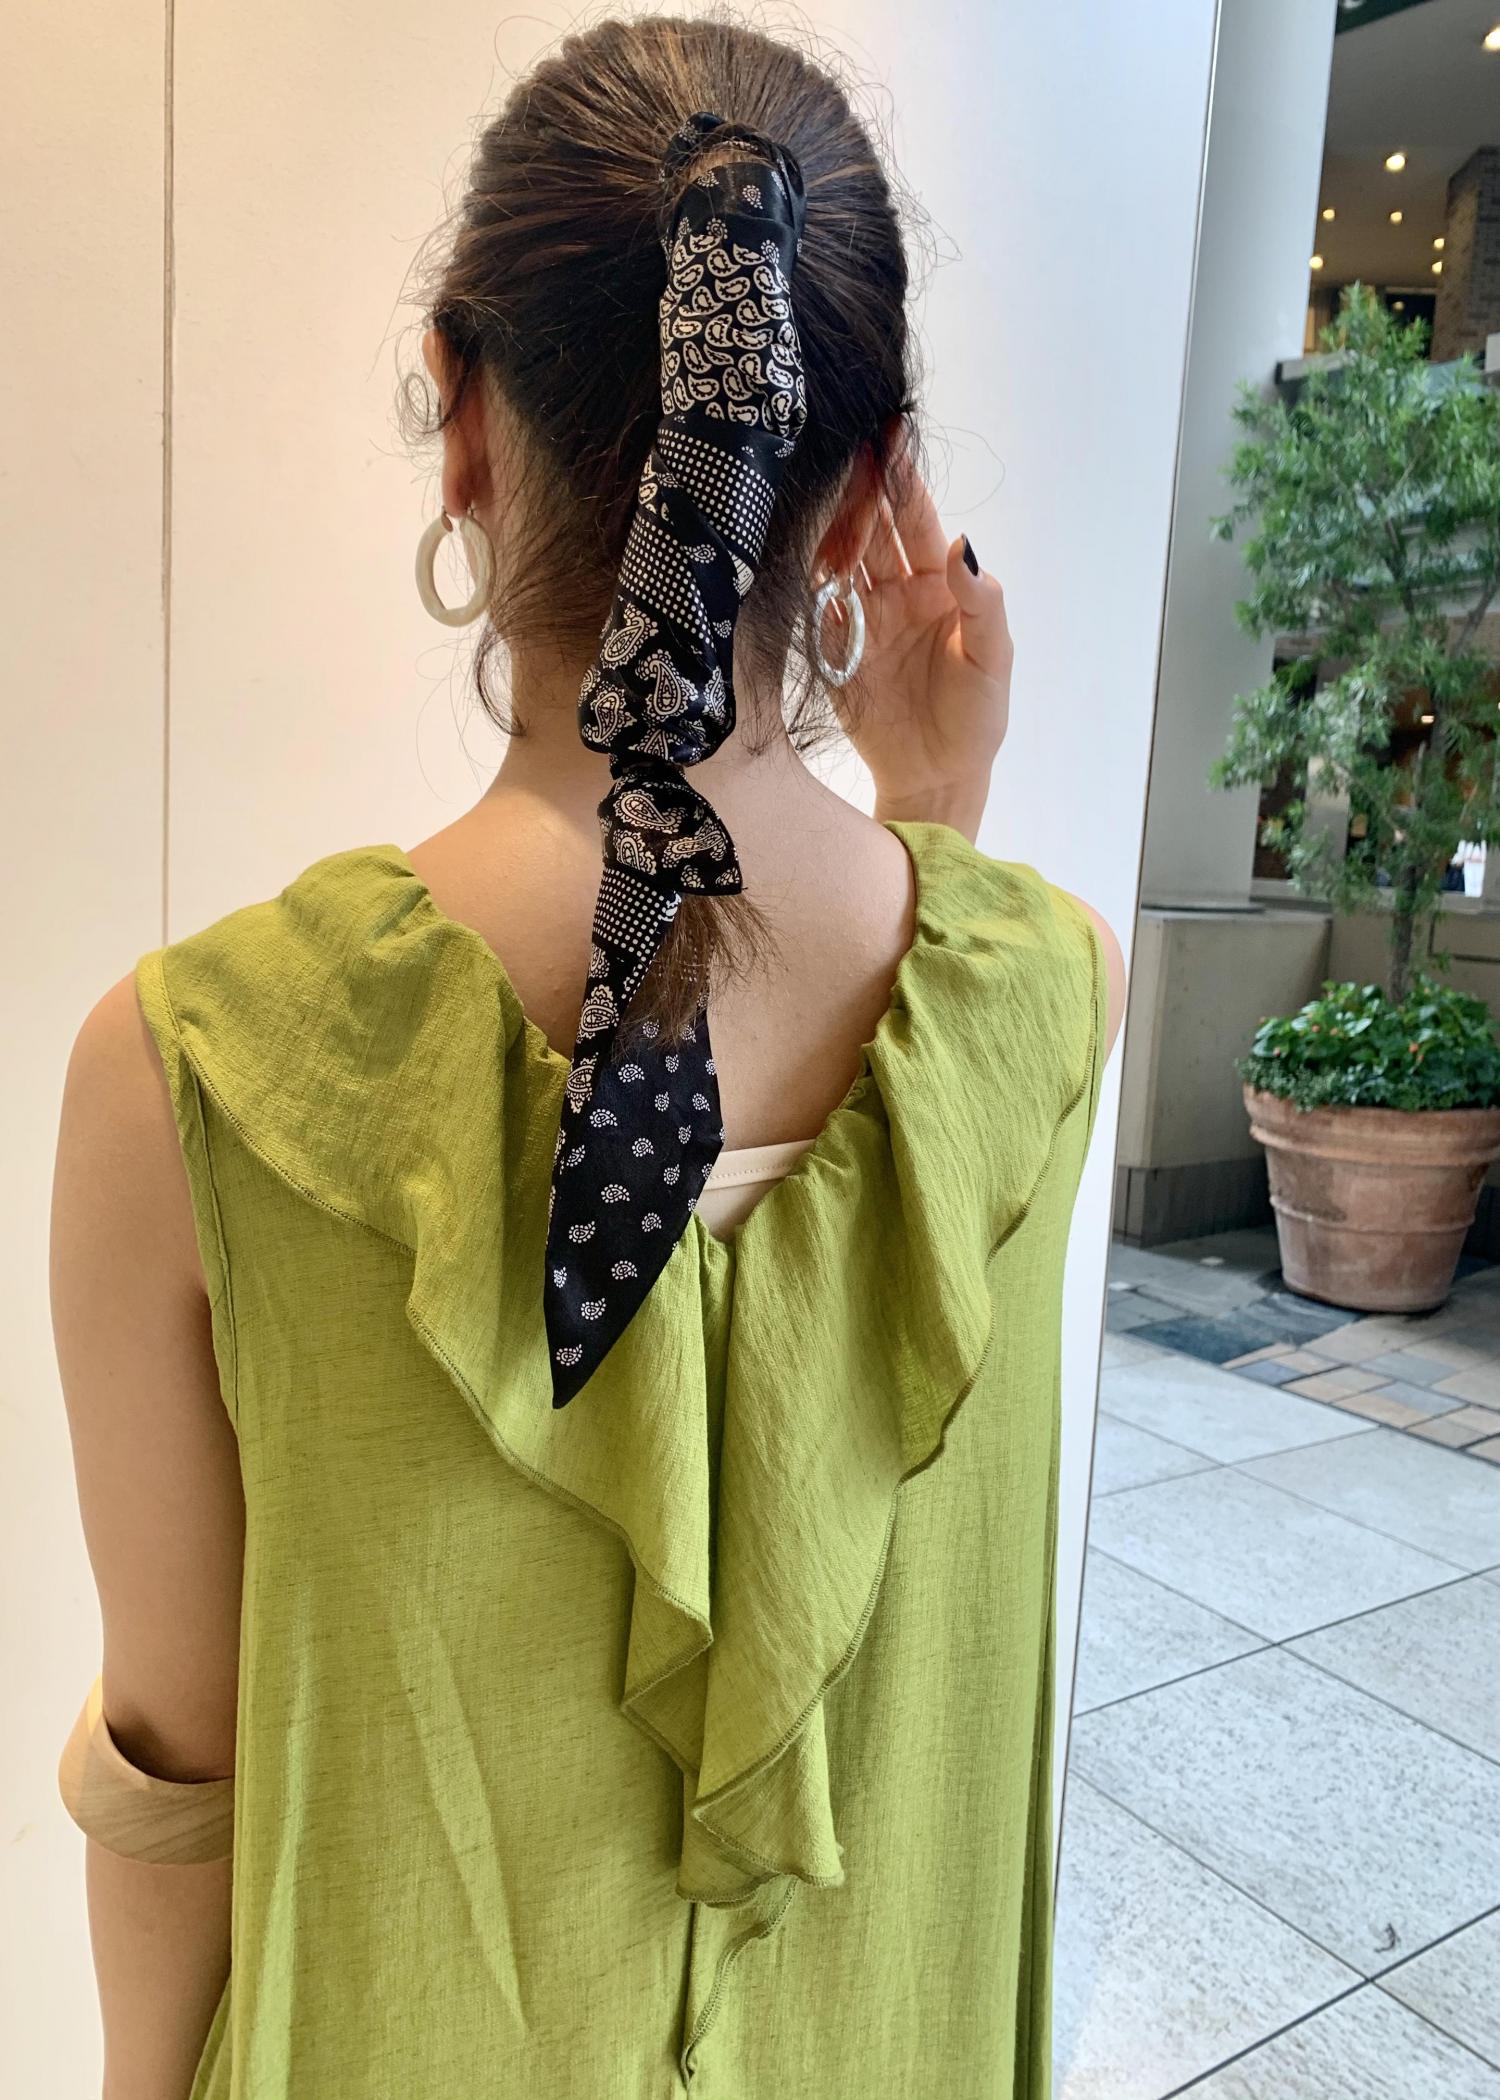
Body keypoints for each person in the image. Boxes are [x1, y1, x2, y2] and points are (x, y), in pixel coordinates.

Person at [49, 16, 1126, 2099]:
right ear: (871, 485)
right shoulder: (1053, 1000)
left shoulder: (188, 1079)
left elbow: (178, 1789)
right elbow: (841, 1314)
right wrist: (936, 826)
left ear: (460, 420)